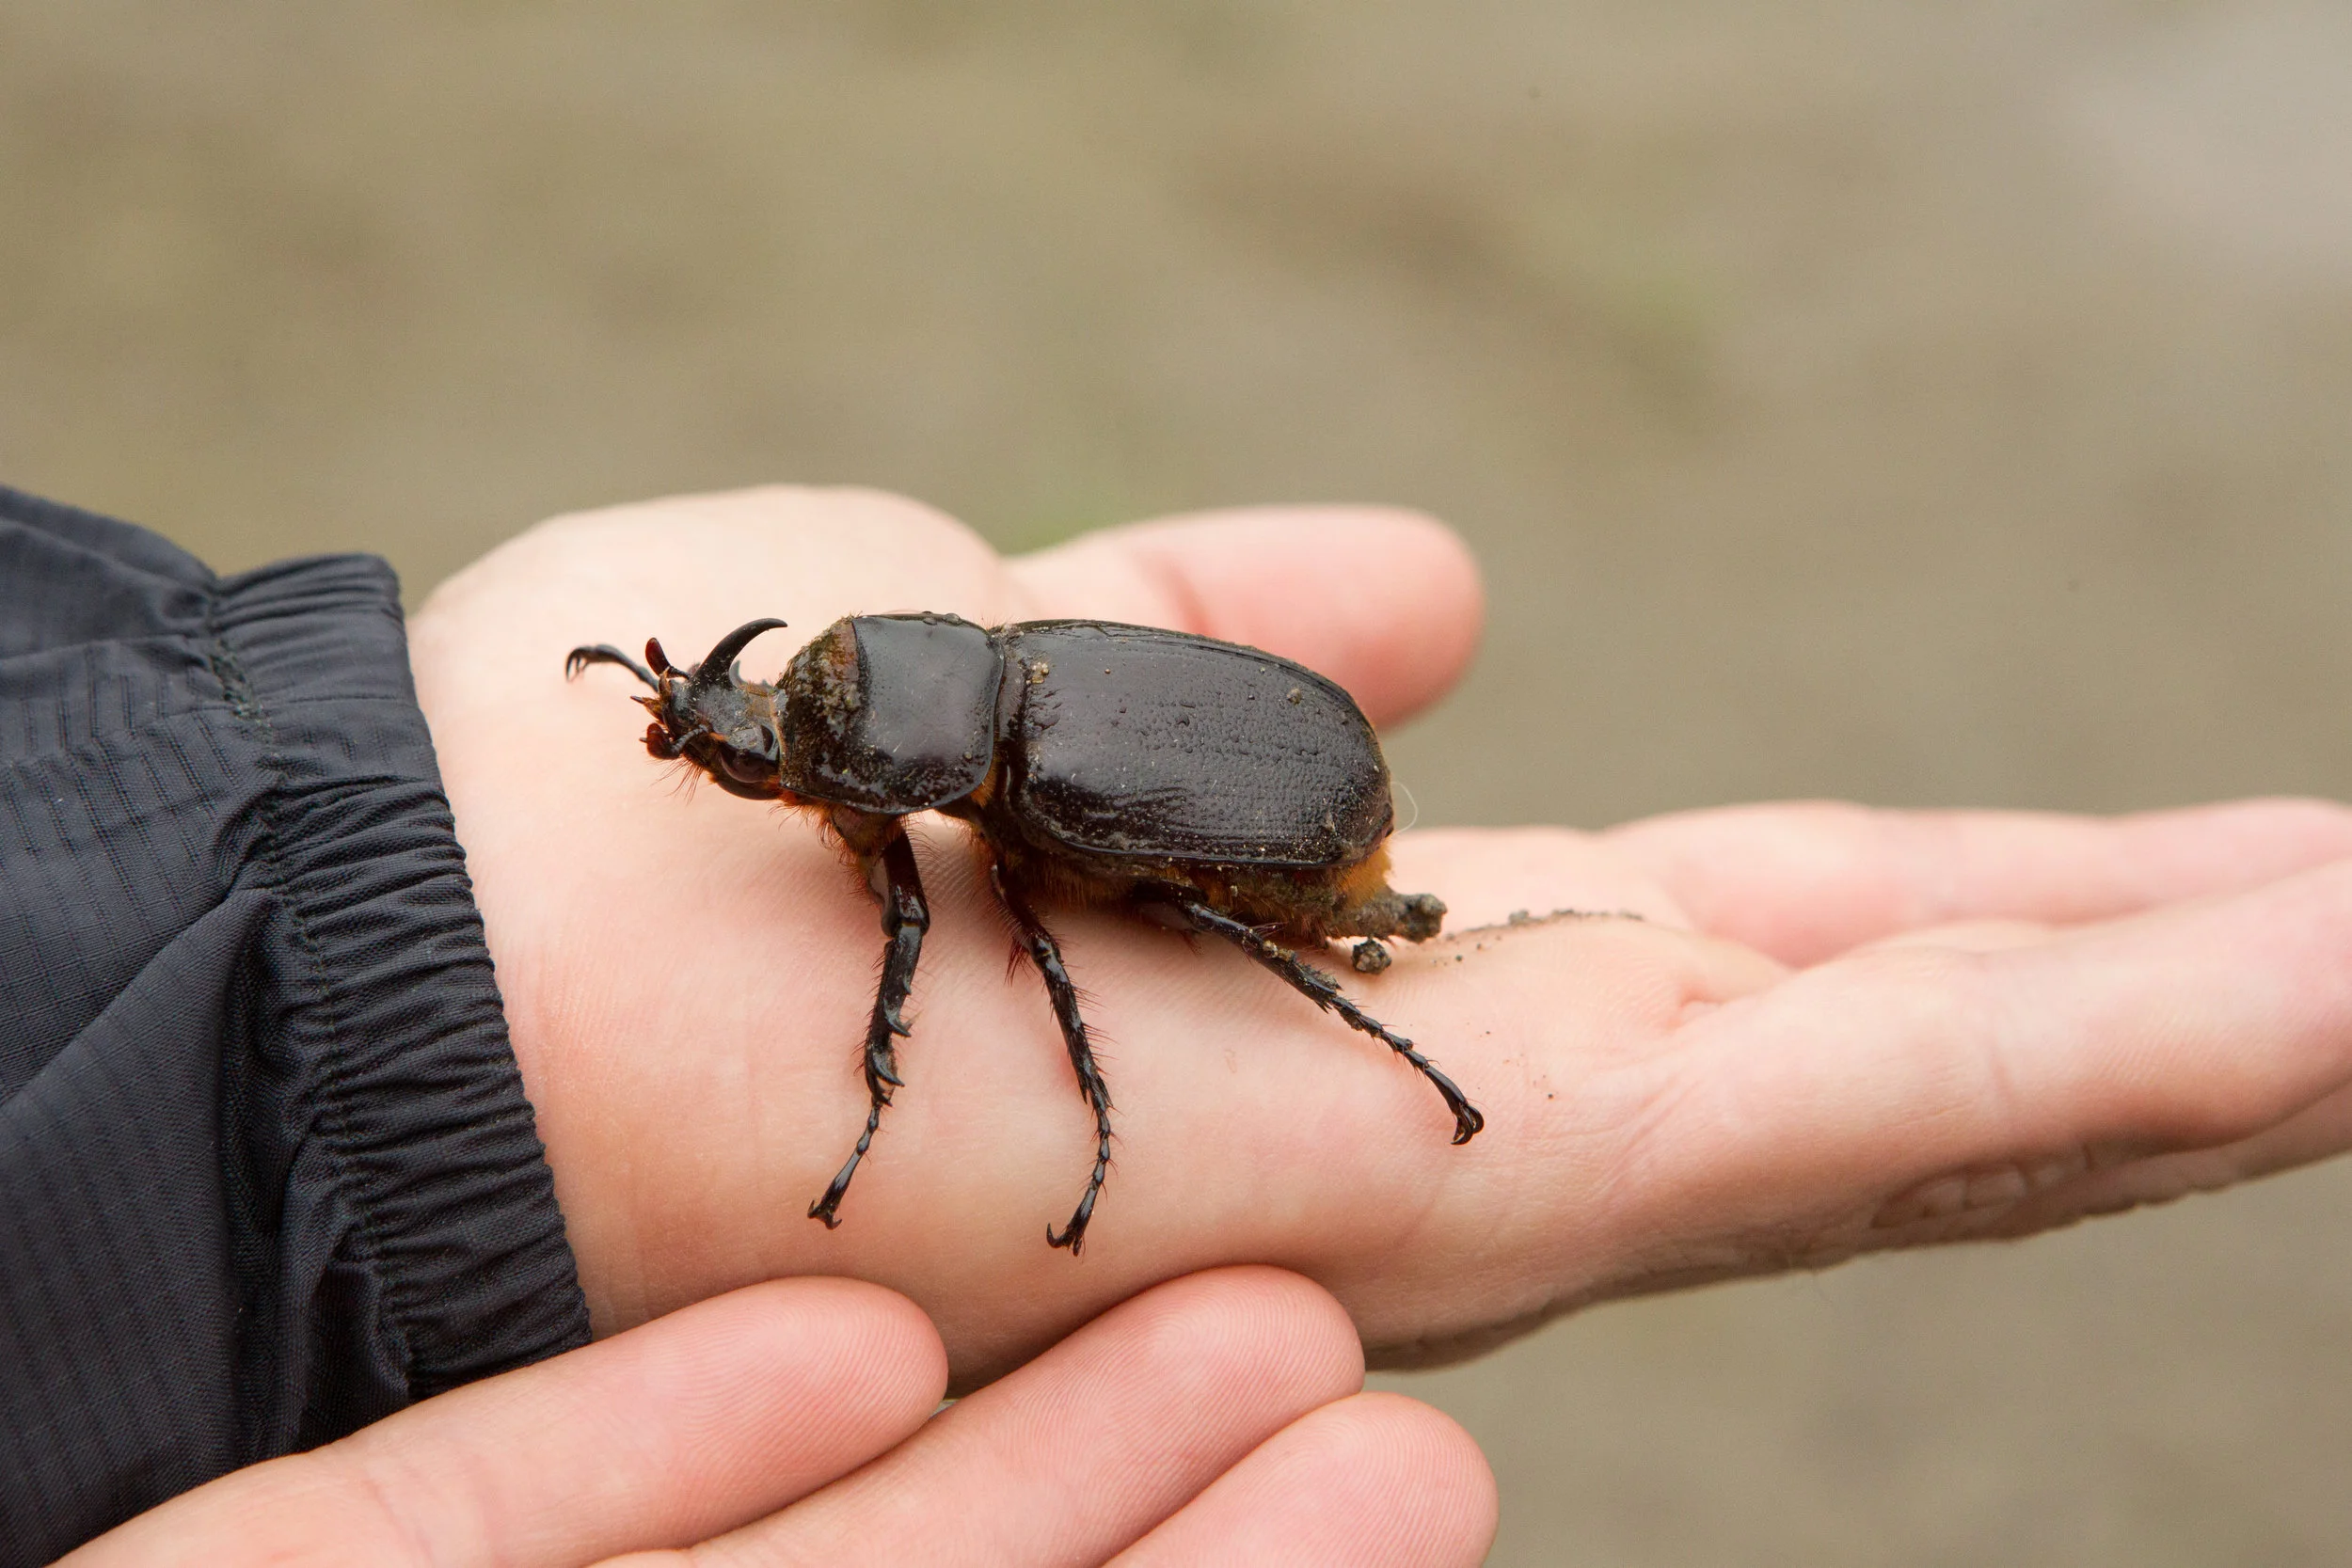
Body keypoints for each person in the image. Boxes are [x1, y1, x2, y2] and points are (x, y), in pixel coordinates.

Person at [12, 483, 2352, 1564]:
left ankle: (1397, 1029)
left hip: (1262, 801)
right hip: (1192, 747)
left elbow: (981, 934)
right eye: (765, 722)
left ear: (904, 730)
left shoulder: (1003, 802)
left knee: (1159, 930)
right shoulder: (924, 721)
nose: (768, 746)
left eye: (787, 726)